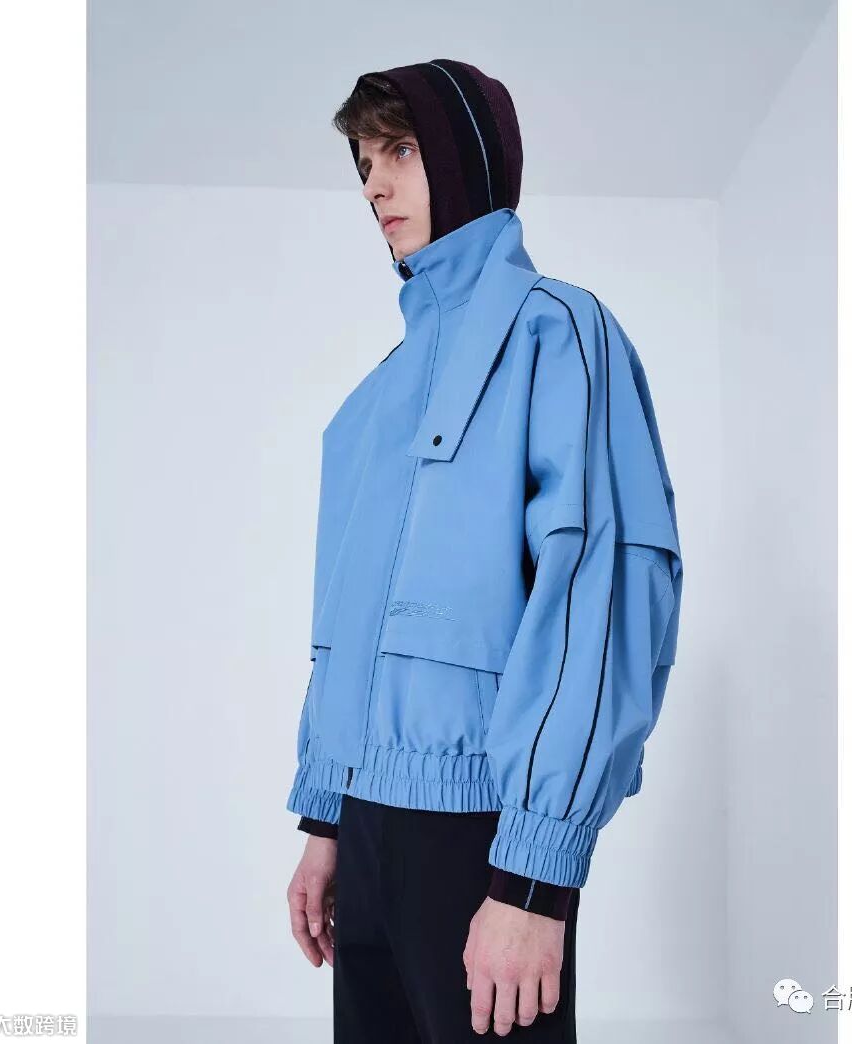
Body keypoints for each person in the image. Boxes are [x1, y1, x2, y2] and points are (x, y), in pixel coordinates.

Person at [284, 58, 683, 1041]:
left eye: (399, 151)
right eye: (363, 162)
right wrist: (324, 820)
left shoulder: (558, 332)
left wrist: (535, 880)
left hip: (482, 839)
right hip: (362, 836)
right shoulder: (373, 398)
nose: (373, 185)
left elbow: (598, 594)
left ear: (466, 156)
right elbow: (348, 622)